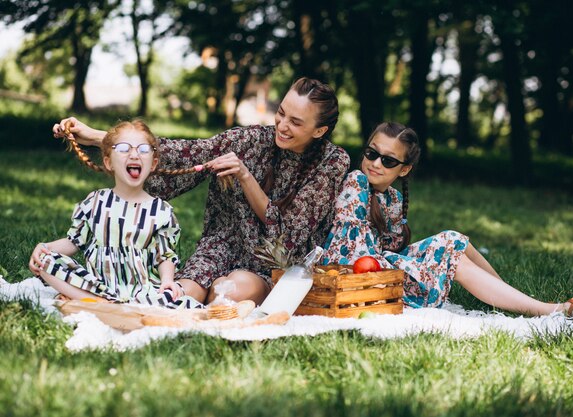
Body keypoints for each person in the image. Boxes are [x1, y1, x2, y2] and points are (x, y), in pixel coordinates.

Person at [53, 77, 350, 306]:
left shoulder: (333, 162)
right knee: (179, 295)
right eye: (281, 113)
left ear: (319, 131)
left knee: (228, 294)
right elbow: (187, 153)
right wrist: (97, 138)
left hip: (276, 262)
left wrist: (246, 177)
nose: (282, 126)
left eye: (295, 122)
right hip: (222, 244)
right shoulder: (251, 140)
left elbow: (289, 233)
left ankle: (221, 290)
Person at [322, 121, 573, 316]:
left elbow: (394, 248)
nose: (375, 163)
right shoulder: (357, 181)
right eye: (372, 153)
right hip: (357, 275)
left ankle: (508, 296)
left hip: (376, 267)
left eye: (388, 160)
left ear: (404, 170)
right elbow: (354, 252)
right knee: (450, 256)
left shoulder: (392, 198)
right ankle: (549, 311)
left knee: (453, 238)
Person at [29, 120, 202, 308]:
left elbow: (164, 255)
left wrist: (167, 281)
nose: (134, 154)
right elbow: (74, 242)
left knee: (173, 298)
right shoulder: (95, 202)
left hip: (142, 291)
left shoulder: (161, 211)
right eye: (124, 148)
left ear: (153, 164)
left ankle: (100, 304)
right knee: (45, 261)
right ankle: (101, 302)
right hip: (99, 287)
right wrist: (45, 247)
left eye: (143, 149)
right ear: (108, 162)